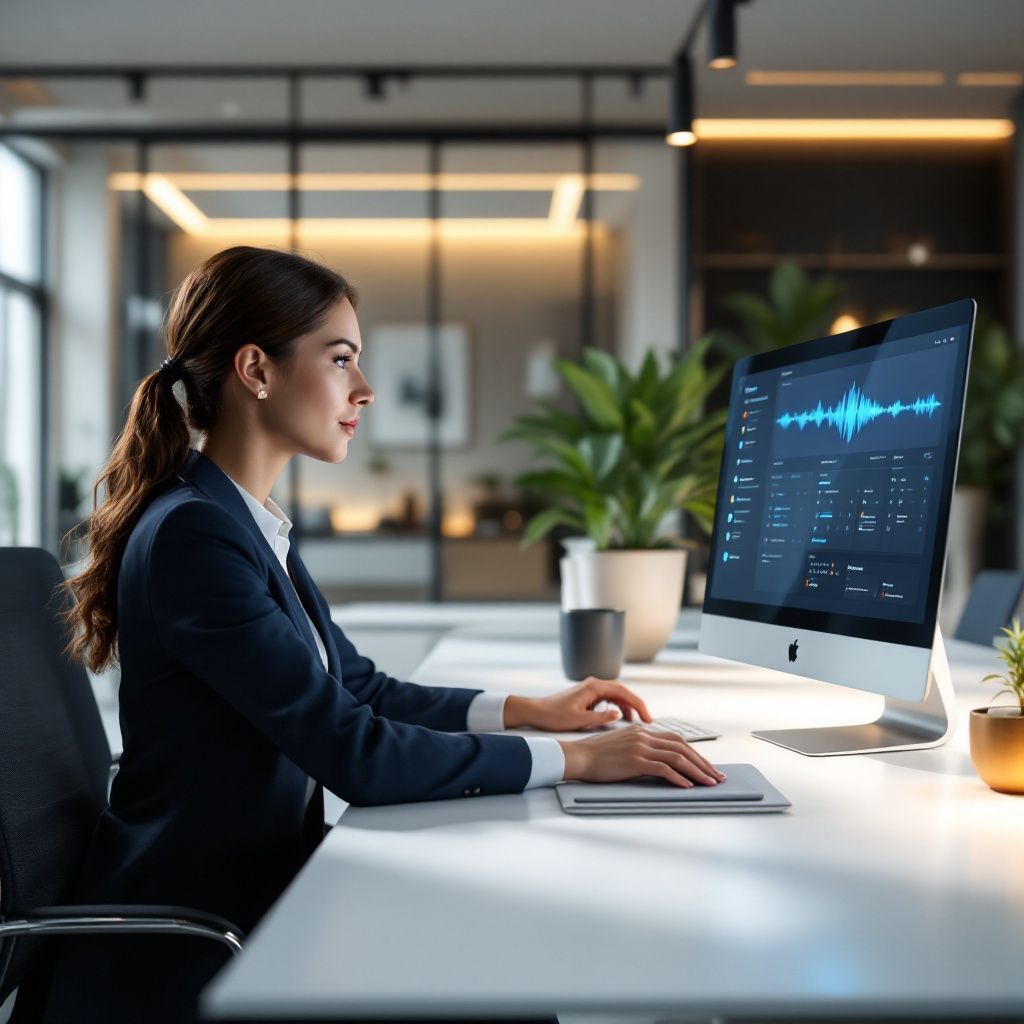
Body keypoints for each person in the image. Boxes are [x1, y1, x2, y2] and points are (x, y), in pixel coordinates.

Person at [40, 246, 723, 1023]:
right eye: (340, 360)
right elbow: (354, 753)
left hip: (260, 897)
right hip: (197, 940)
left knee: (503, 954)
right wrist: (576, 759)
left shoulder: (237, 523)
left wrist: (532, 711)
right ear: (256, 370)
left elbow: (358, 689)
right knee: (507, 971)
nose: (363, 390)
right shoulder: (197, 537)